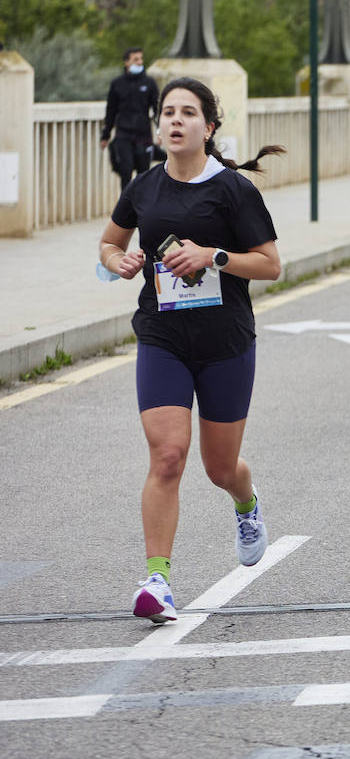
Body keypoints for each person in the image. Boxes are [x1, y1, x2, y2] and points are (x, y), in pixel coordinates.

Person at [97, 77, 283, 624]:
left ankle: (246, 504)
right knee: (168, 454)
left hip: (225, 341)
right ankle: (157, 578)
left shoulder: (233, 190)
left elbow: (271, 265)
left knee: (219, 467)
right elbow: (109, 242)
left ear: (209, 126)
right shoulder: (144, 188)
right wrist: (120, 263)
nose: (175, 121)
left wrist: (213, 256)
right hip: (164, 336)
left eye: (187, 113)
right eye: (168, 113)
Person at [100, 48, 161, 191]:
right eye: (135, 59)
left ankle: (142, 210)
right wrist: (105, 135)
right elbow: (111, 111)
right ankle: (126, 210)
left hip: (143, 135)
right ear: (127, 62)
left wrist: (160, 132)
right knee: (125, 173)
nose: (140, 62)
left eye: (141, 59)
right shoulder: (117, 84)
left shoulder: (149, 83)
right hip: (124, 135)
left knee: (143, 175)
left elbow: (157, 109)